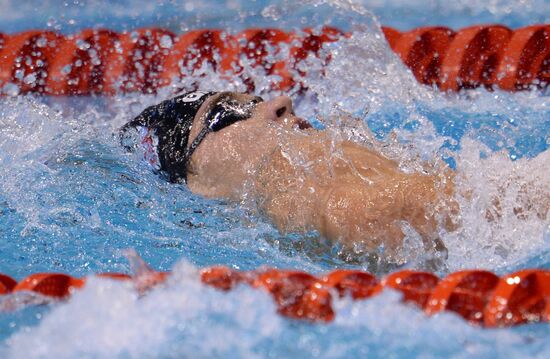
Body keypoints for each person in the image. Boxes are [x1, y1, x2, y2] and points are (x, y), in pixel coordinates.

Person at [120, 91, 458, 265]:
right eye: (226, 113)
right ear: (198, 183)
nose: (282, 101)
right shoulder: (304, 183)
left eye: (255, 100)